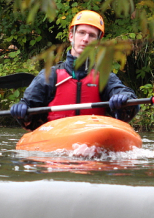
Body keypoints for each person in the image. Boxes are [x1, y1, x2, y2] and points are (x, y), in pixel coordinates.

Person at [10, 10, 138, 130]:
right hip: (56, 138)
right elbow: (29, 113)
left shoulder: (104, 77)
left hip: (92, 136)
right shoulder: (49, 76)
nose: (86, 39)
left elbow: (126, 98)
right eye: (81, 32)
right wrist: (22, 110)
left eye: (92, 35)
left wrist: (125, 98)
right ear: (71, 36)